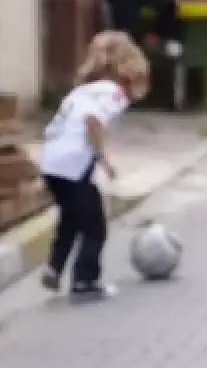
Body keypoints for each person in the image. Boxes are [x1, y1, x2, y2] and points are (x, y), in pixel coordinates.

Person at [38, 30, 150, 302]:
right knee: (95, 226)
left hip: (51, 165)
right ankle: (85, 280)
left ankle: (54, 267)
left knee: (70, 219)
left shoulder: (83, 91)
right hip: (73, 166)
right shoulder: (113, 93)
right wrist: (103, 157)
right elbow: (93, 121)